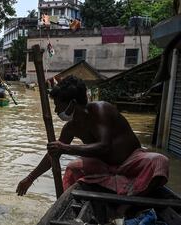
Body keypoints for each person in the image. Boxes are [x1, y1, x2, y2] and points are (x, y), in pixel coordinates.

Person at [16, 76, 169, 196]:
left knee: (159, 161)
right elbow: (52, 155)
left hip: (130, 161)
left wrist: (66, 148)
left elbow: (104, 146)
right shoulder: (70, 128)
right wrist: (30, 178)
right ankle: (70, 203)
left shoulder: (101, 110)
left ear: (72, 103)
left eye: (58, 105)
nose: (56, 110)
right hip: (104, 167)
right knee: (72, 168)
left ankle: (134, 197)